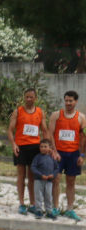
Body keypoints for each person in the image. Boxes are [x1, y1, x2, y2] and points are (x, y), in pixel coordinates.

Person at [8, 88, 47, 215]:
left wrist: (48, 146)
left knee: (32, 176)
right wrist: (13, 144)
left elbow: (45, 130)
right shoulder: (18, 112)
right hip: (21, 147)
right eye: (27, 97)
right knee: (21, 176)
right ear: (24, 98)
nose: (29, 99)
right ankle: (21, 203)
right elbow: (10, 130)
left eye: (31, 97)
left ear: (35, 98)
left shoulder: (40, 112)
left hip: (35, 147)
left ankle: (33, 204)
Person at [48, 90, 85, 221]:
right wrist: (53, 150)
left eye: (71, 101)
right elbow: (50, 133)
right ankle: (55, 207)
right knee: (56, 179)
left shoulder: (81, 117)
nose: (68, 103)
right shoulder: (56, 115)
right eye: (66, 100)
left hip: (74, 154)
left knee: (71, 182)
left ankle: (70, 209)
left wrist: (82, 155)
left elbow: (83, 138)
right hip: (59, 153)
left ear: (76, 102)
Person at [31, 140, 59, 220]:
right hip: (38, 180)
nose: (43, 148)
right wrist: (40, 175)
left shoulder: (52, 158)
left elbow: (57, 168)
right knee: (38, 196)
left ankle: (49, 211)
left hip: (49, 181)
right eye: (41, 147)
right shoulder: (37, 157)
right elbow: (33, 167)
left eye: (45, 147)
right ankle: (39, 210)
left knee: (48, 196)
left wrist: (53, 175)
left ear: (50, 148)